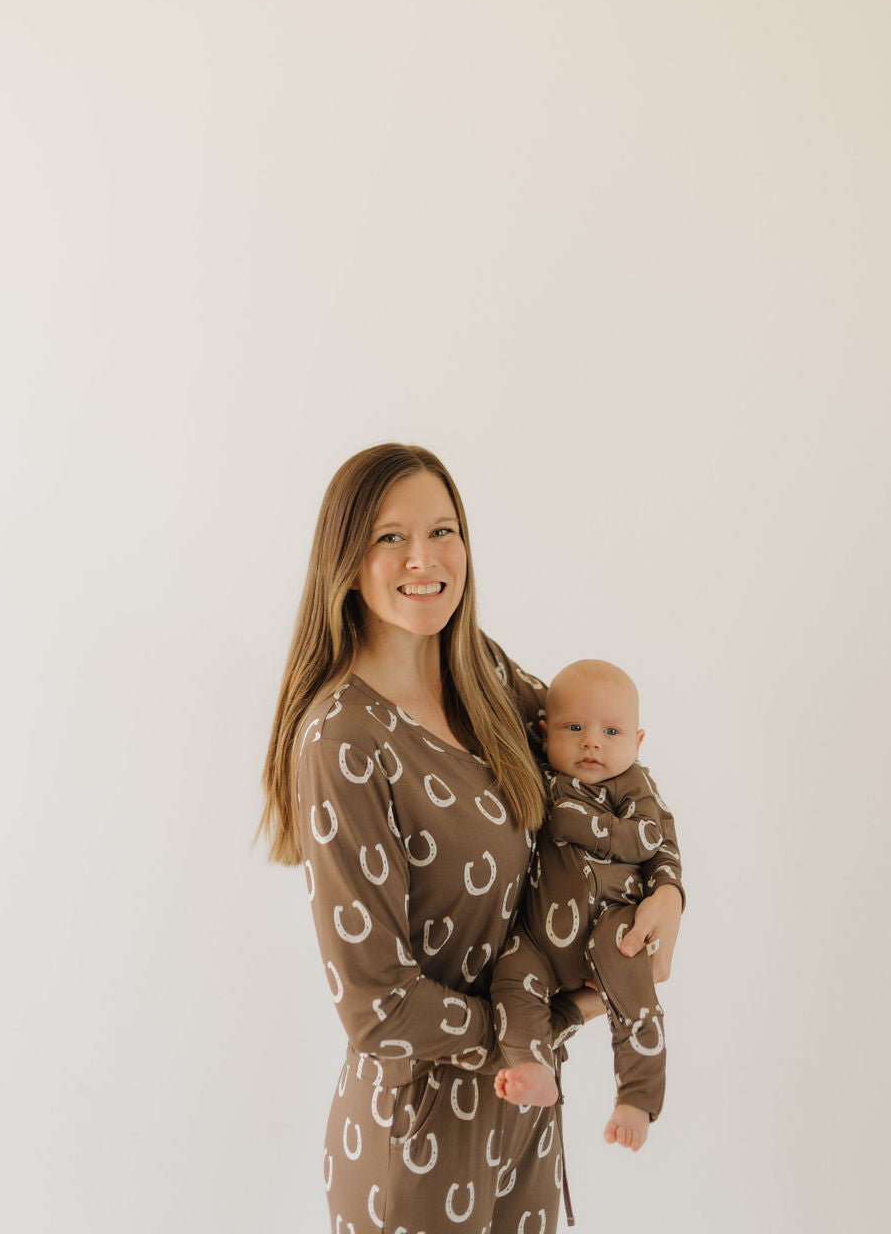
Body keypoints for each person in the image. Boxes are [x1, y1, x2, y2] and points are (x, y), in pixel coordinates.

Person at [260, 445, 683, 1231]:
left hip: (524, 1121)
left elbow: (611, 763)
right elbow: (376, 1007)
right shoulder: (341, 738)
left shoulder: (485, 675)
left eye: (442, 530)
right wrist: (542, 1027)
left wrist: (669, 888)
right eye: (390, 537)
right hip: (416, 1132)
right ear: (345, 561)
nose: (423, 559)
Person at [491, 660, 682, 1153]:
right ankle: (533, 1066)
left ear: (637, 743)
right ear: (544, 733)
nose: (591, 742)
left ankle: (637, 1096)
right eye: (573, 728)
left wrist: (580, 823)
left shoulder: (632, 785)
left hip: (614, 922)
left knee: (635, 1003)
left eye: (611, 731)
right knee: (512, 979)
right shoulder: (541, 775)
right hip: (539, 936)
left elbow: (649, 836)